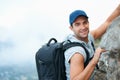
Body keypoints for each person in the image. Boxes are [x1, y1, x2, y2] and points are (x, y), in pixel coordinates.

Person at [64, 4, 120, 80]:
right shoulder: (77, 53)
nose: (83, 27)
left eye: (85, 22)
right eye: (77, 24)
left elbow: (108, 22)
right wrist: (94, 60)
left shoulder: (89, 37)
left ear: (88, 23)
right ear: (71, 28)